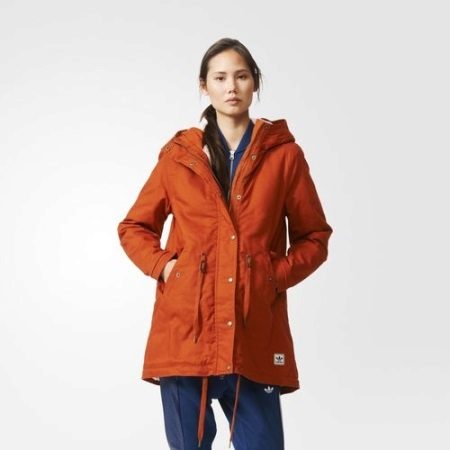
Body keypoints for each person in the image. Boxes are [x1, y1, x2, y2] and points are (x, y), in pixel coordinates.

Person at [117, 37, 333, 450]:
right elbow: (134, 227)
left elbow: (315, 237)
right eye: (220, 78)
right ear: (205, 86)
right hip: (186, 334)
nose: (231, 86)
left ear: (255, 83)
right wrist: (167, 268)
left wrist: (274, 275)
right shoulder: (179, 156)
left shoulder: (284, 156)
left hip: (254, 332)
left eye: (241, 76)